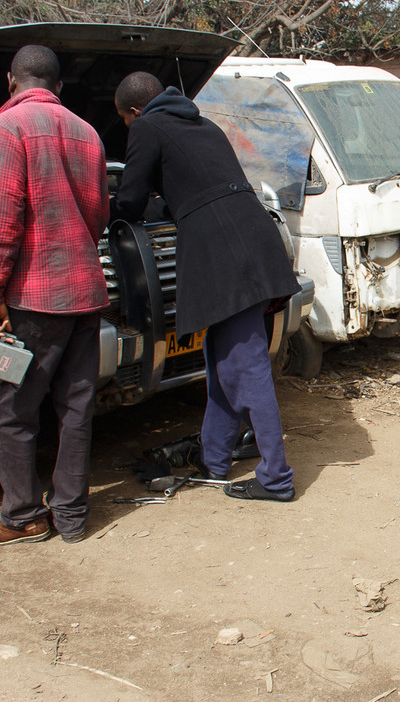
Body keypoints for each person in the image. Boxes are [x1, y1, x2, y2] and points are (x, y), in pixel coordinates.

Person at [111, 72, 301, 502]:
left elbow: (131, 198)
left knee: (248, 367)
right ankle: (214, 459)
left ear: (135, 111)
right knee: (222, 358)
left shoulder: (147, 126)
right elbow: (196, 186)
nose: (127, 128)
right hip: (252, 239)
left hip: (223, 255)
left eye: (123, 120)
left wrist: (112, 211)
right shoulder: (202, 123)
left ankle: (277, 479)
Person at [0, 45, 109, 546]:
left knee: (7, 405)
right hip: (86, 290)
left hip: (33, 295)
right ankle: (71, 518)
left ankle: (24, 516)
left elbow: (0, 218)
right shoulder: (87, 132)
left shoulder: (7, 128)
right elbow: (97, 216)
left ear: (11, 80)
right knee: (75, 408)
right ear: (58, 85)